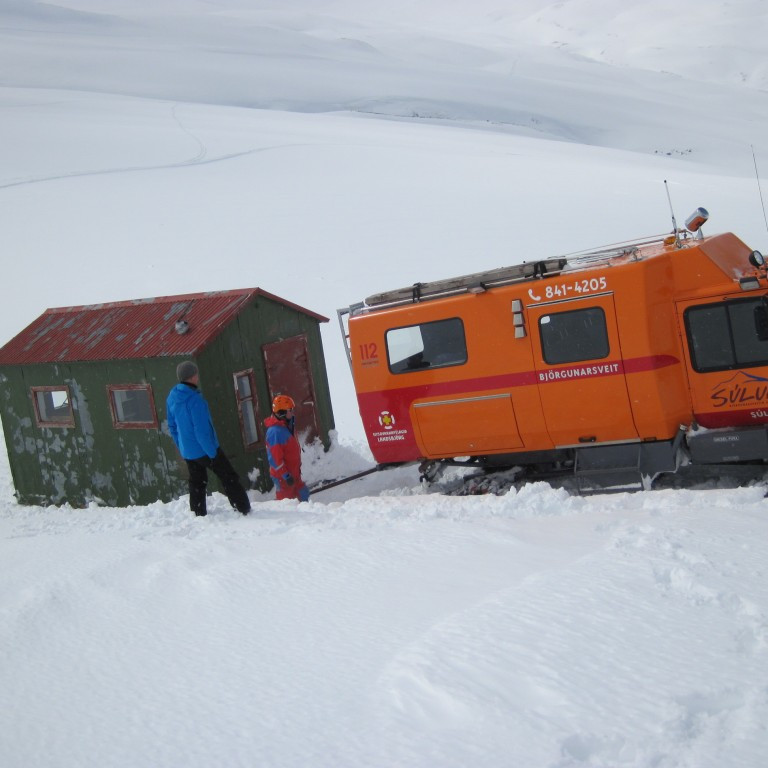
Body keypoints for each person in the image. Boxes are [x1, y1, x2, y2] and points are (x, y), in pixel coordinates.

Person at [166, 361, 251, 517]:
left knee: (197, 481)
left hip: (188, 450)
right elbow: (201, 430)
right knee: (229, 477)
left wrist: (182, 445)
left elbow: (172, 426)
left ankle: (198, 512)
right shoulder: (195, 400)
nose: (197, 376)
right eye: (196, 373)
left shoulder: (172, 396)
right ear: (192, 376)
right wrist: (212, 453)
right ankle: (243, 508)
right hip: (205, 448)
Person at [264, 394, 310, 502]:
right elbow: (275, 460)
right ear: (281, 413)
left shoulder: (287, 426)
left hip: (294, 473)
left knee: (303, 493)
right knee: (287, 503)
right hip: (284, 477)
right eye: (290, 410)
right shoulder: (274, 432)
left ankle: (306, 514)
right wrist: (286, 475)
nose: (293, 412)